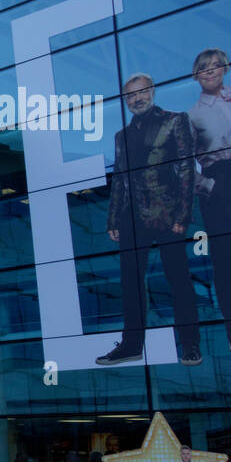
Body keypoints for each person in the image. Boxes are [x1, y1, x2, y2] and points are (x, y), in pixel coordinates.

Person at [98, 73, 201, 366]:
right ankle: (131, 345)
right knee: (131, 283)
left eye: (140, 93)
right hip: (132, 217)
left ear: (152, 92)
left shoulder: (174, 120)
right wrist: (113, 219)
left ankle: (191, 344)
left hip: (168, 215)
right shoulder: (122, 136)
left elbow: (186, 168)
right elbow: (119, 178)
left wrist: (183, 214)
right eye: (130, 96)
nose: (136, 99)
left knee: (178, 278)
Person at [188, 48, 231, 356]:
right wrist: (208, 186)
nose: (211, 71)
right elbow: (182, 163)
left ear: (225, 67)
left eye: (215, 66)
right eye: (204, 68)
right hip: (221, 183)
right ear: (196, 75)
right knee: (226, 264)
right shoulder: (193, 116)